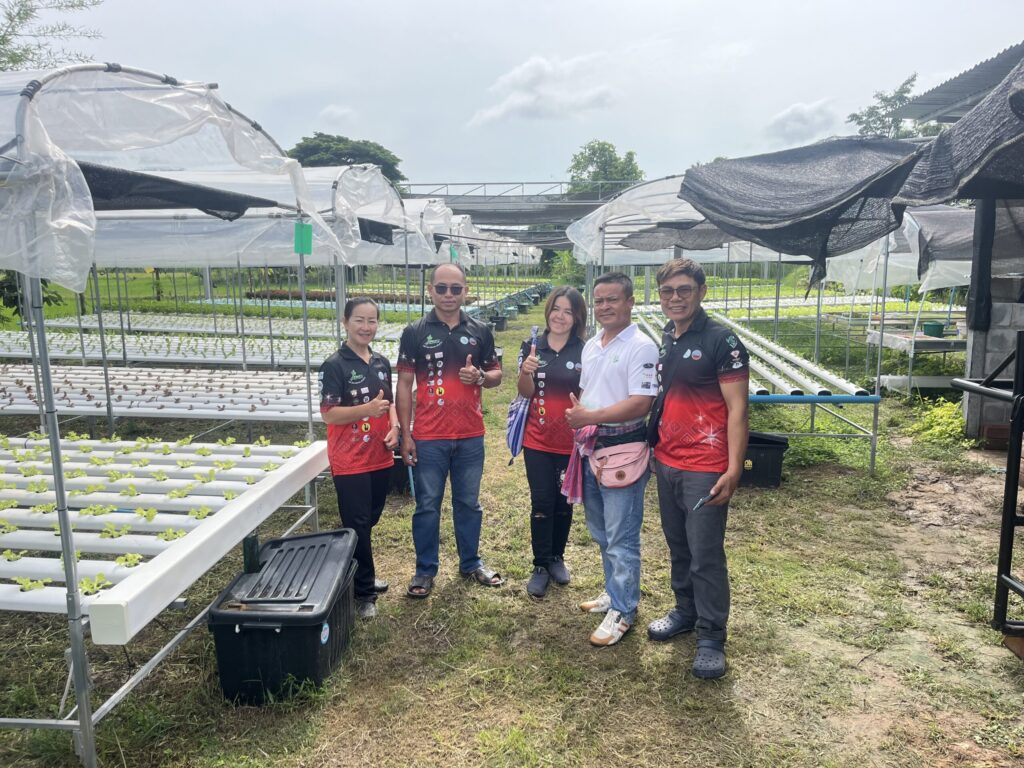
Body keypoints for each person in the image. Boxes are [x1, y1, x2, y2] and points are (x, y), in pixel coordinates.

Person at [646, 257, 749, 679]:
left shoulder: (722, 342)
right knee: (679, 545)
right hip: (668, 459)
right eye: (668, 291)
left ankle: (711, 635)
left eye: (684, 290)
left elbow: (738, 409)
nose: (676, 298)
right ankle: (685, 611)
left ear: (701, 292)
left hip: (705, 466)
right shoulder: (667, 338)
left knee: (705, 553)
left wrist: (734, 467)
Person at [397, 262, 504, 599]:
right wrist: (406, 434)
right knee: (427, 504)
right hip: (429, 436)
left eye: (455, 289)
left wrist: (481, 377)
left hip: (470, 434)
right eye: (441, 288)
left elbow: (497, 374)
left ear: (465, 291)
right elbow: (404, 384)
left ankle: (470, 562)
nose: (448, 294)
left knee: (468, 503)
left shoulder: (480, 330)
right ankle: (425, 569)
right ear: (430, 290)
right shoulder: (414, 332)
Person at [564, 272, 658, 646]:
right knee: (601, 531)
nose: (604, 307)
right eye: (599, 300)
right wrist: (582, 416)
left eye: (613, 299)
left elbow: (641, 402)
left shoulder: (641, 346)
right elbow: (590, 390)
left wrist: (589, 416)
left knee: (622, 536)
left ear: (630, 302)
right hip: (592, 447)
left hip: (624, 449)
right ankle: (613, 591)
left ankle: (623, 609)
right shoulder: (592, 345)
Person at [319, 297, 400, 620]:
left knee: (371, 518)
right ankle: (364, 591)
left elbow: (389, 403)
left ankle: (356, 574)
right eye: (359, 320)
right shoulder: (334, 365)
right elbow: (329, 414)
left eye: (372, 321)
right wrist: (366, 410)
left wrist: (395, 427)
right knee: (358, 525)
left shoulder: (381, 363)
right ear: (345, 322)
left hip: (379, 455)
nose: (366, 327)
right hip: (349, 458)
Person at [517, 286, 587, 598]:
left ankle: (557, 556)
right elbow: (525, 392)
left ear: (577, 317)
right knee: (542, 502)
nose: (560, 316)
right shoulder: (533, 346)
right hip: (538, 441)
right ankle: (540, 564)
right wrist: (525, 372)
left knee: (563, 503)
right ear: (548, 311)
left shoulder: (585, 350)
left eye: (568, 311)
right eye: (556, 309)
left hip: (570, 442)